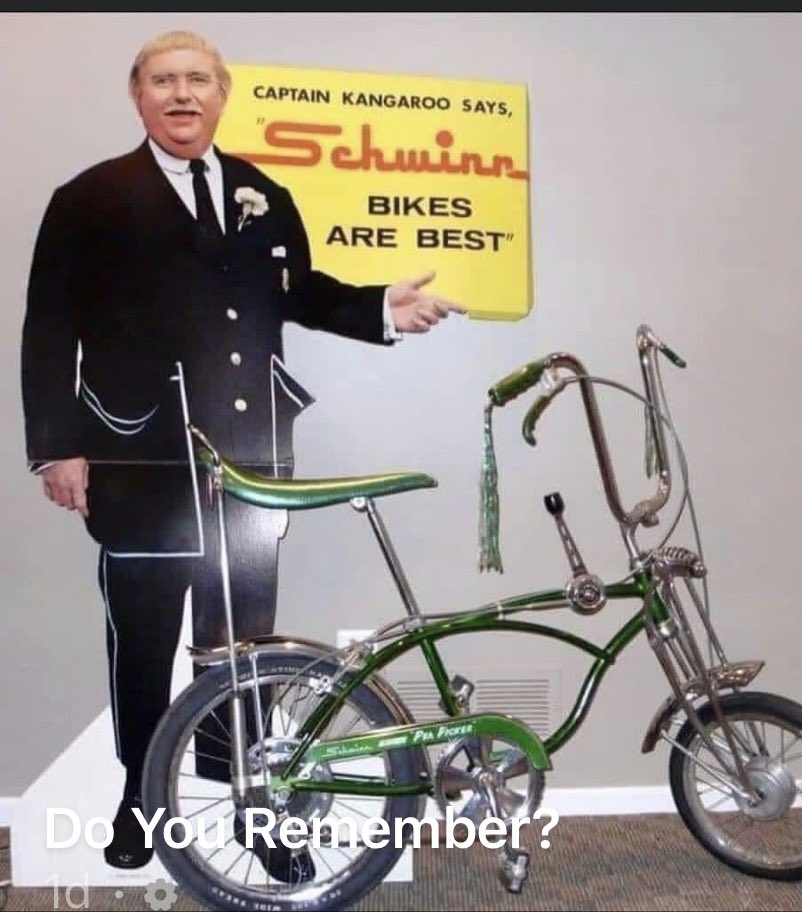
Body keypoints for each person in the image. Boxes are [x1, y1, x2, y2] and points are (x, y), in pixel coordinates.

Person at [20, 28, 464, 878]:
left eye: (197, 80)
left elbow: (297, 291)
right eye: (163, 80)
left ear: (222, 94)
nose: (181, 94)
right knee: (143, 639)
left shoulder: (263, 192)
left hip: (251, 456)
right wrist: (57, 448)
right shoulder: (89, 198)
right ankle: (140, 797)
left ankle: (249, 802)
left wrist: (380, 308)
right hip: (138, 456)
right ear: (138, 95)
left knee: (243, 648)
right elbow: (49, 326)